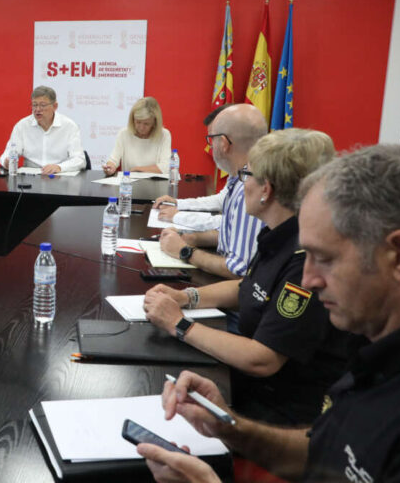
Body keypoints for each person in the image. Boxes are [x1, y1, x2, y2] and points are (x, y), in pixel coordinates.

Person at [138, 144, 400, 483]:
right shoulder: (377, 349)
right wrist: (227, 426)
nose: (309, 279)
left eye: (326, 259)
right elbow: (326, 449)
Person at [144, 129, 356, 426]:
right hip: (259, 385)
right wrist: (187, 297)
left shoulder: (305, 256)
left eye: (247, 175)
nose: (242, 184)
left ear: (266, 189)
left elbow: (263, 359)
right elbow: (251, 287)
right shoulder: (281, 233)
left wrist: (178, 324)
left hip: (285, 413)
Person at [153, 104, 266, 279]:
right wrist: (194, 238)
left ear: (224, 143)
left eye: (211, 139)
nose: (211, 146)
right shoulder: (240, 178)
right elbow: (231, 230)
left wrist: (184, 251)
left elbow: (239, 272)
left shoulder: (250, 187)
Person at [0, 86, 85, 174]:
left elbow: (79, 159)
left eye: (42, 105)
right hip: (30, 177)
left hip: (59, 175)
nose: (37, 109)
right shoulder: (22, 126)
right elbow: (9, 153)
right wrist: (6, 162)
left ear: (55, 106)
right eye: (34, 105)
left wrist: (59, 167)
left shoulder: (69, 126)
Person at [102, 96, 171, 175]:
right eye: (138, 122)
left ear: (154, 123)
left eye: (146, 124)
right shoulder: (124, 134)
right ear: (132, 119)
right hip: (129, 182)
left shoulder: (164, 135)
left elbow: (165, 167)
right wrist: (110, 167)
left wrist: (138, 169)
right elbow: (113, 160)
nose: (141, 127)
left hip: (155, 182)